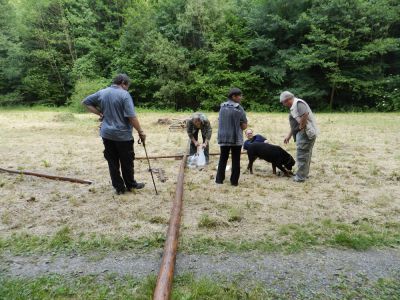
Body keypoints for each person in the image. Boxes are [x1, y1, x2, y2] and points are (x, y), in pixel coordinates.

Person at [82, 74, 146, 194]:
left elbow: (86, 102)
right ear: (123, 82)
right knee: (127, 161)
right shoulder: (124, 95)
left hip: (106, 134)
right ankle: (131, 185)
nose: (127, 88)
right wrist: (141, 132)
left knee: (112, 162)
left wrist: (100, 114)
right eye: (127, 85)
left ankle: (119, 188)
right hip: (123, 136)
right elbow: (131, 117)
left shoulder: (102, 92)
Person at [280, 91, 318, 182]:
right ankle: (304, 174)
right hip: (303, 133)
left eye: (283, 103)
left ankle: (300, 177)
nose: (283, 105)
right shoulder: (294, 106)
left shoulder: (298, 103)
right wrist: (289, 135)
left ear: (288, 99)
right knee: (306, 155)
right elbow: (295, 124)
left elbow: (305, 114)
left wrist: (301, 127)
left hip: (306, 133)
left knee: (302, 155)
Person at [216, 88, 248, 186]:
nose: (241, 97)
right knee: (236, 160)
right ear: (233, 96)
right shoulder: (239, 108)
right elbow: (244, 126)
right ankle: (234, 182)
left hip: (223, 137)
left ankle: (219, 180)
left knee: (223, 158)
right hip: (235, 138)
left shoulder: (222, 106)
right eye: (239, 96)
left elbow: (220, 121)